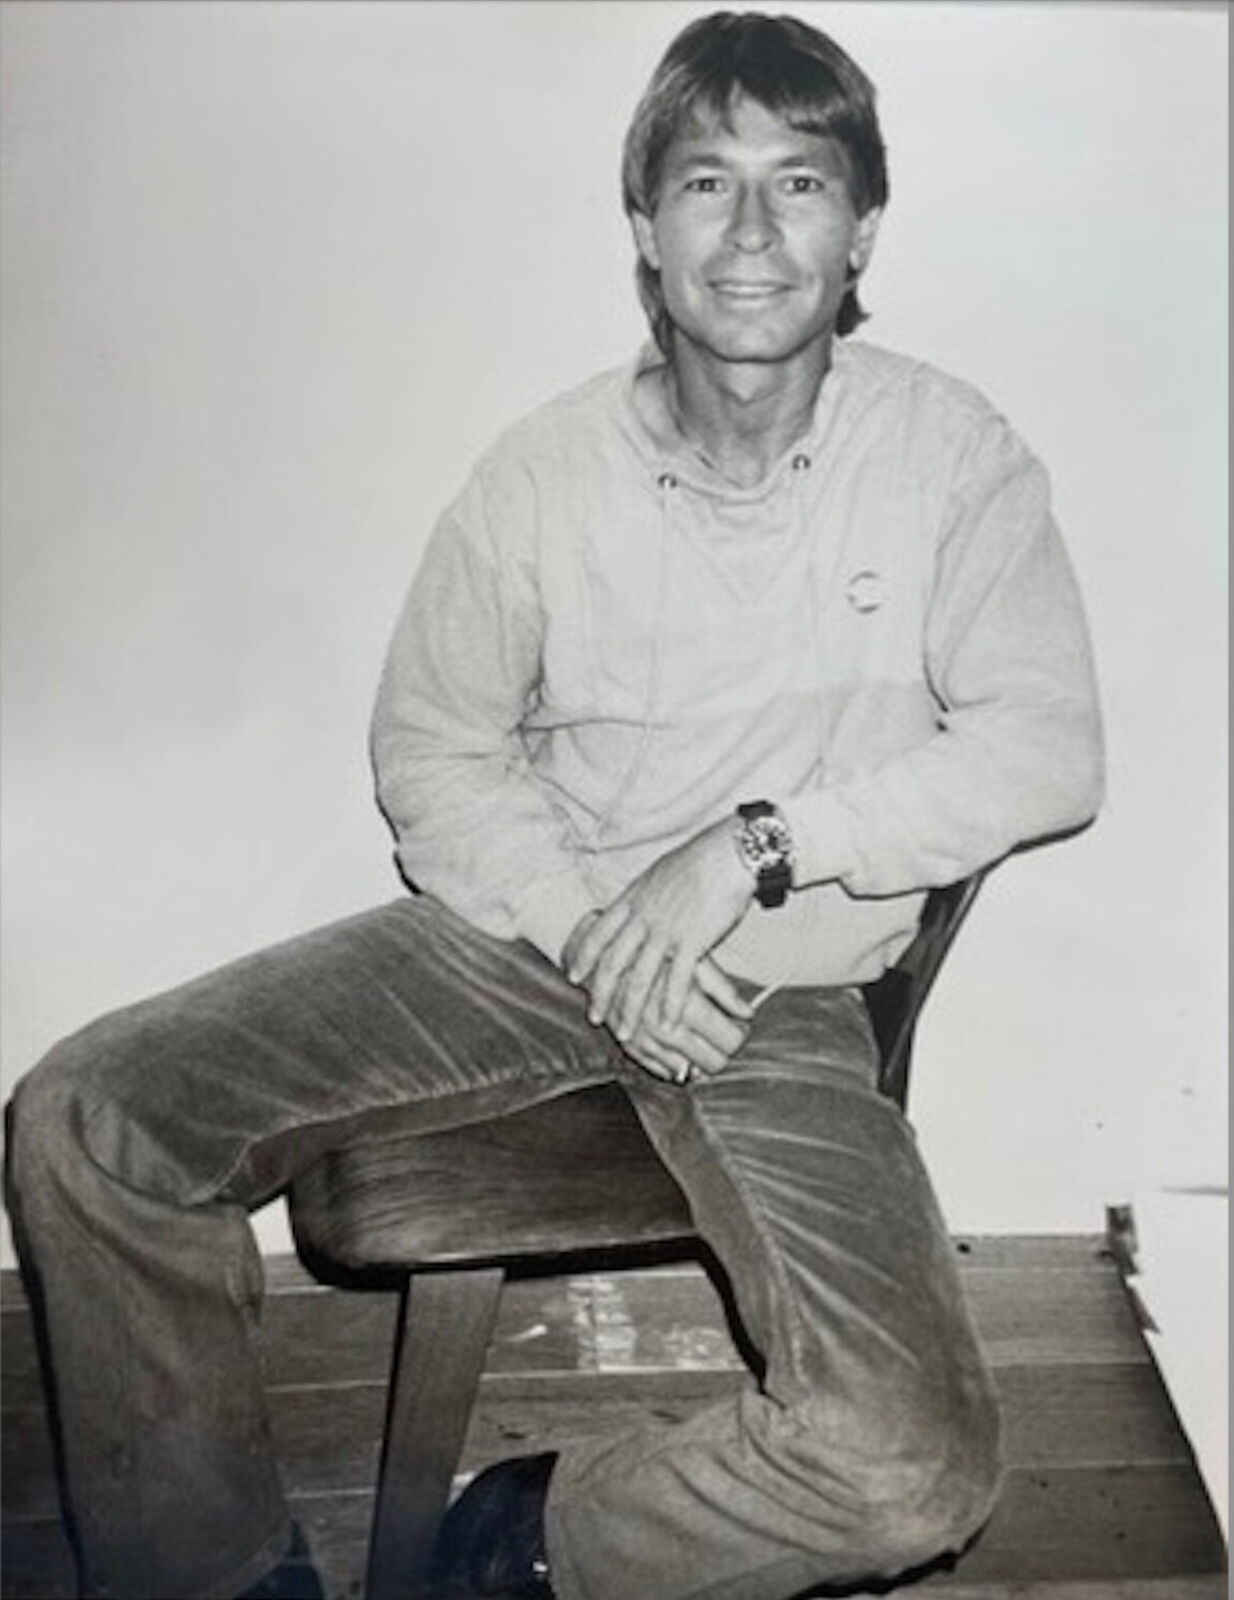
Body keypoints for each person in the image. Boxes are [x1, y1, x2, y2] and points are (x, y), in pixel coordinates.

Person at [6, 11, 1104, 1600]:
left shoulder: (952, 458)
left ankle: (523, 1537)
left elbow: (1045, 751)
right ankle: (217, 1574)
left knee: (903, 1469)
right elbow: (435, 751)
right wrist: (592, 927)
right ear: (645, 228)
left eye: (798, 183)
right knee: (89, 1119)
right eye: (704, 182)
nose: (749, 232)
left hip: (776, 1004)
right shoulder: (539, 474)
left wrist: (753, 848)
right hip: (520, 944)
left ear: (862, 228)